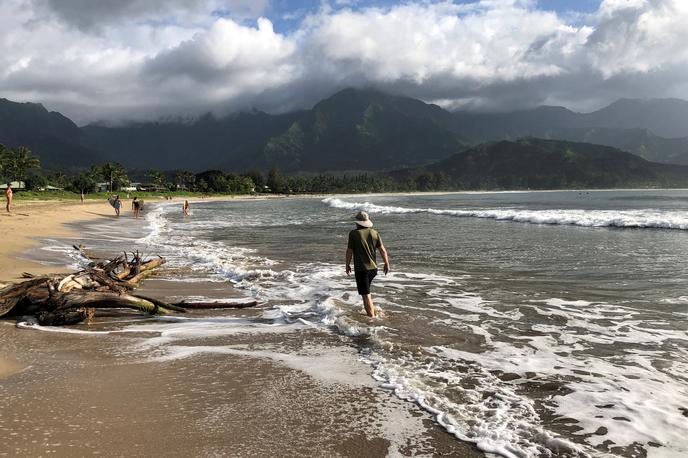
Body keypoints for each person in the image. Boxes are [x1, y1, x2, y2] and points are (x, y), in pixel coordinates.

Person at [345, 211, 390, 318]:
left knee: (365, 295)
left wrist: (347, 265)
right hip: (373, 269)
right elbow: (382, 250)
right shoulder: (375, 233)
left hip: (362, 269)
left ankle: (372, 319)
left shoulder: (354, 234)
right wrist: (386, 263)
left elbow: (349, 251)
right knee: (367, 293)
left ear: (357, 223)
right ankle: (373, 312)